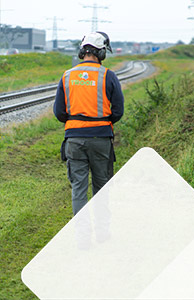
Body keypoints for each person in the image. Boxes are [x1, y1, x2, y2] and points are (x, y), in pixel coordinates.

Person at [54, 31, 124, 216]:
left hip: (74, 140)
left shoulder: (67, 76)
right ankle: (102, 236)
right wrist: (101, 121)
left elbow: (59, 112)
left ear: (81, 52)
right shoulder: (108, 75)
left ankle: (81, 239)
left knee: (78, 188)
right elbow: (118, 111)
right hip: (101, 139)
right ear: (101, 53)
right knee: (101, 187)